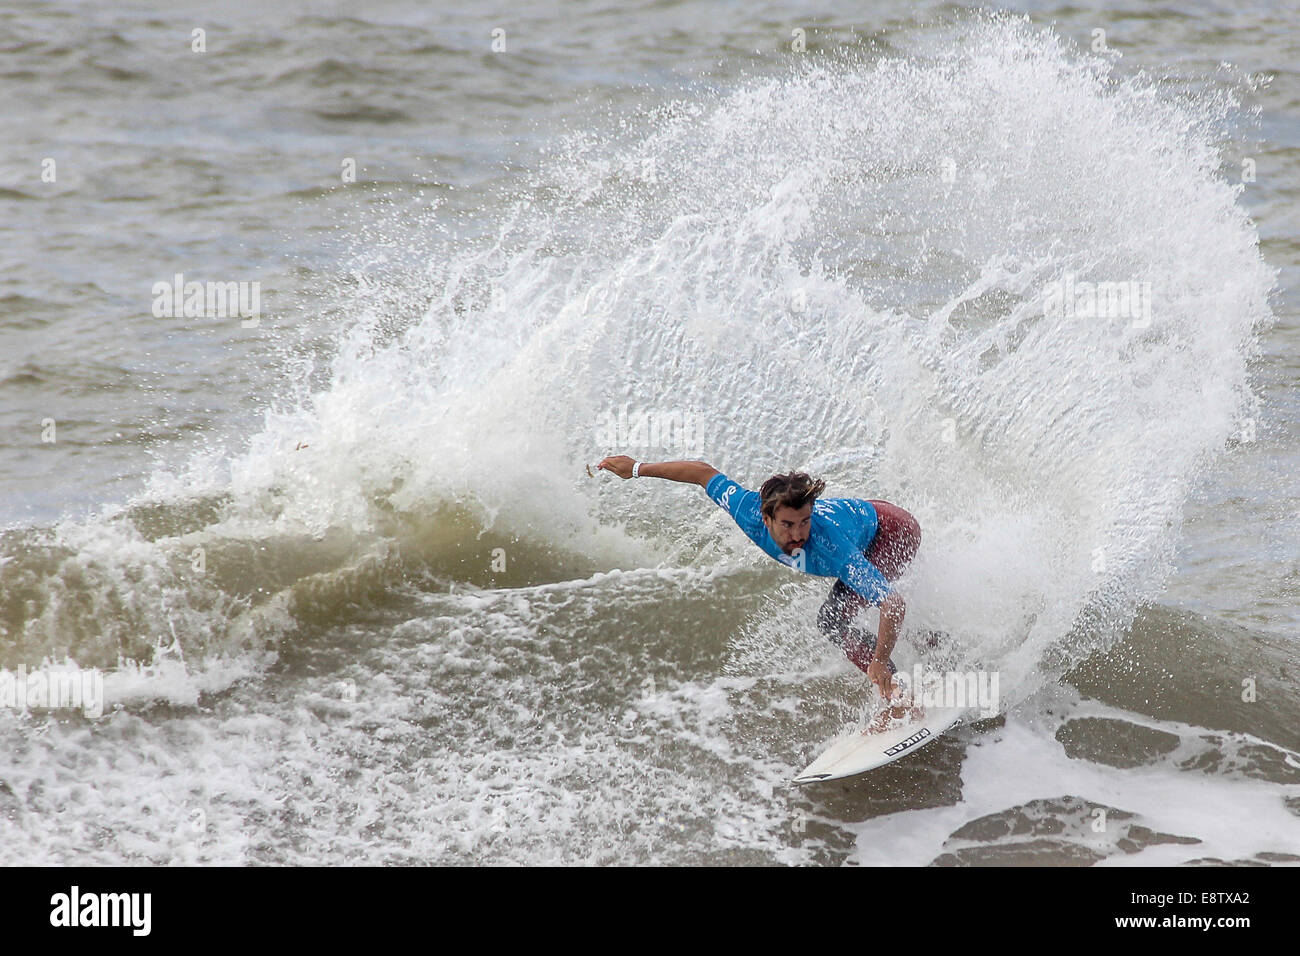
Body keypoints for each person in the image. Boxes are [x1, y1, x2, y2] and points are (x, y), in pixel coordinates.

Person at [595, 456, 921, 701]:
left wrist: (877, 661)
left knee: (833, 621)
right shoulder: (746, 509)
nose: (799, 534)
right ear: (765, 518)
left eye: (805, 521)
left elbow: (892, 604)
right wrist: (636, 468)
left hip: (893, 533)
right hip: (869, 515)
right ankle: (929, 643)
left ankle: (897, 696)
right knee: (837, 619)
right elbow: (701, 473)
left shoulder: (829, 545)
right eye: (788, 525)